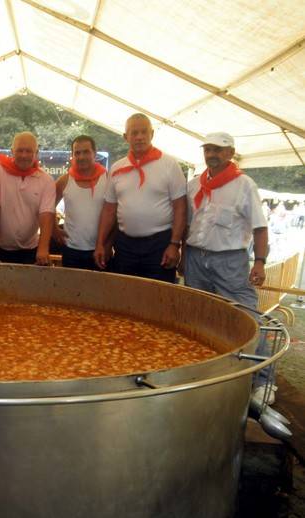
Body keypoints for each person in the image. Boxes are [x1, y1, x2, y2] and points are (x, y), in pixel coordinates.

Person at [183, 132, 271, 403]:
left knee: (248, 317)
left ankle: (263, 381)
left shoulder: (244, 184)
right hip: (196, 257)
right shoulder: (195, 184)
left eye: (218, 150)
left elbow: (259, 226)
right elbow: (188, 223)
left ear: (230, 153)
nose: (212, 154)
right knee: (198, 317)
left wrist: (259, 261)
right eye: (208, 149)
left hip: (230, 260)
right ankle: (207, 373)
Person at [94, 113, 187, 282]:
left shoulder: (169, 165)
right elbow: (109, 210)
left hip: (160, 244)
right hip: (124, 245)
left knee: (158, 296)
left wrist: (175, 245)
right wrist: (100, 243)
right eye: (134, 133)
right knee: (124, 294)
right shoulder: (117, 168)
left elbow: (181, 208)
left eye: (144, 132)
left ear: (152, 134)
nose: (140, 137)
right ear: (125, 137)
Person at [0, 132, 55, 265]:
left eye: (29, 151)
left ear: (36, 153)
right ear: (12, 151)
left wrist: (43, 248)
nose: (24, 155)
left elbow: (46, 215)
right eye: (20, 150)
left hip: (31, 249)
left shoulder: (47, 180)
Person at [53, 135, 110, 270]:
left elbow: (115, 214)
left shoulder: (108, 179)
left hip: (100, 249)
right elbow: (47, 207)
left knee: (99, 290)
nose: (81, 156)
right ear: (72, 155)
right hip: (71, 250)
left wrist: (109, 243)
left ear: (95, 154)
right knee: (71, 290)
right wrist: (54, 230)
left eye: (86, 152)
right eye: (77, 153)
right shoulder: (64, 181)